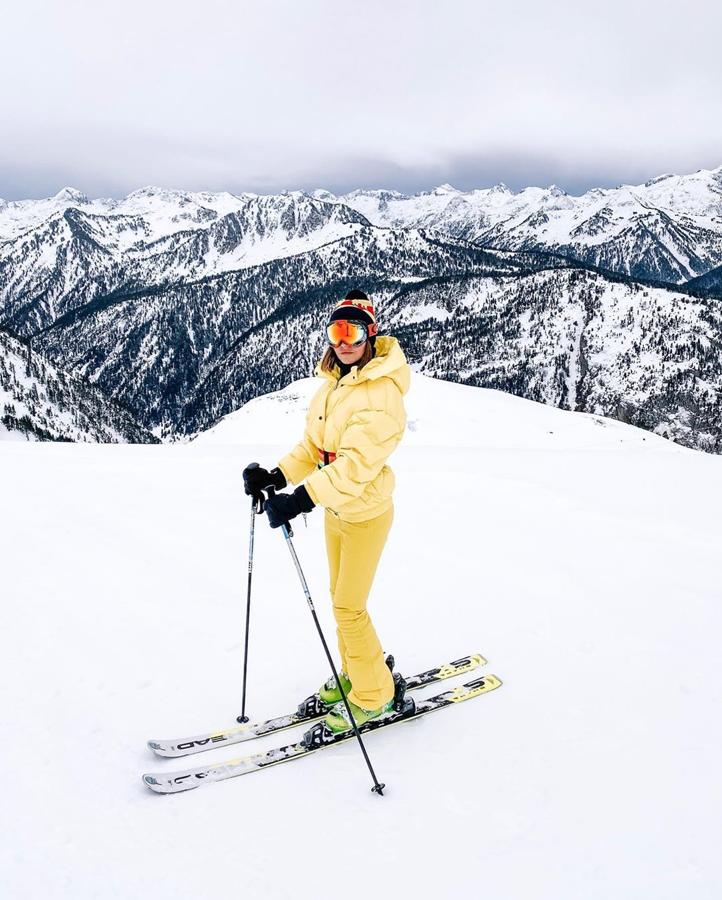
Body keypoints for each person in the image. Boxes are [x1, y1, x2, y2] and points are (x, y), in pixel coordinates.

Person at [243, 289, 411, 733]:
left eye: (352, 331)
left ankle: (375, 695)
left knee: (348, 607)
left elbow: (355, 467)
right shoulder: (335, 385)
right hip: (337, 511)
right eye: (336, 331)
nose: (343, 342)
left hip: (364, 512)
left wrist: (300, 500)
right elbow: (315, 449)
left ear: (371, 335)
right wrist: (277, 477)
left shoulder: (379, 396)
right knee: (342, 605)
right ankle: (359, 672)